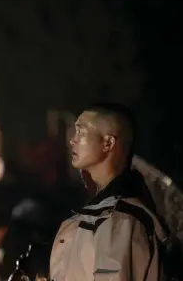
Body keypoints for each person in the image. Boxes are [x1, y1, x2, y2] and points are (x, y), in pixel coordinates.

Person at [48, 103, 168, 281]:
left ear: (108, 143)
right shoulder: (106, 212)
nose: (72, 140)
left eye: (81, 131)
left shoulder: (121, 219)